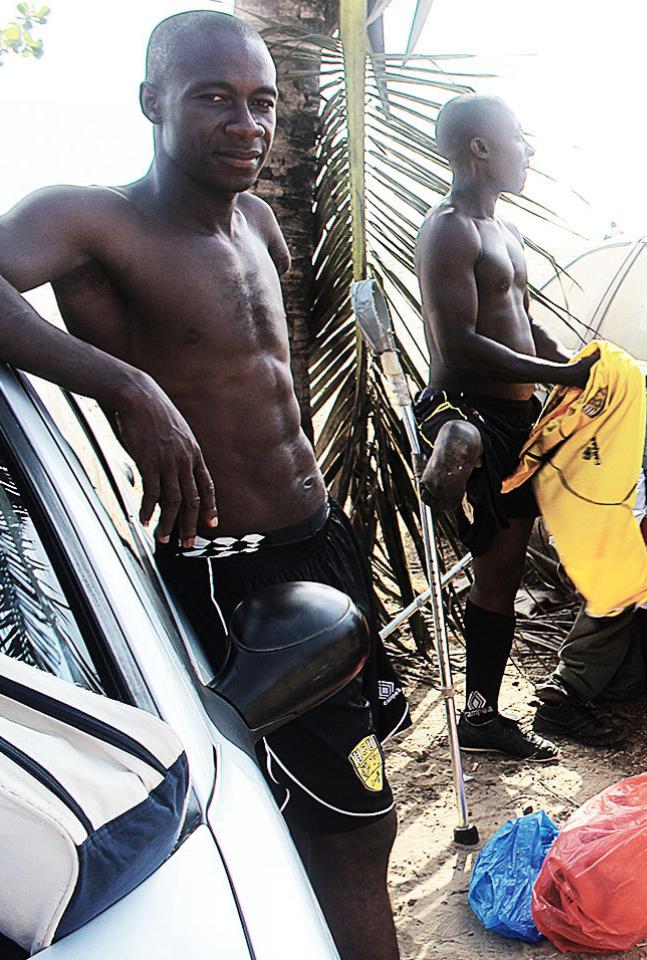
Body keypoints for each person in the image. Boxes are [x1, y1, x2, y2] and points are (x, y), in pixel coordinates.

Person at [0, 12, 405, 956]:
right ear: (152, 101)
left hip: (321, 545)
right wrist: (126, 385)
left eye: (261, 101)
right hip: (237, 574)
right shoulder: (94, 221)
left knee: (335, 804)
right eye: (213, 97)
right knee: (353, 828)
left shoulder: (260, 222)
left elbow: (269, 388)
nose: (246, 123)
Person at [413, 94, 604, 759]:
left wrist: (574, 363)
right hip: (466, 406)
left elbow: (521, 320)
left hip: (519, 419)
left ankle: (481, 717)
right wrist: (561, 379)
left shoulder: (506, 230)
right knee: (467, 461)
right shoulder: (449, 230)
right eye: (517, 138)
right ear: (480, 149)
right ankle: (447, 472)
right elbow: (459, 343)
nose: (529, 150)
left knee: (501, 572)